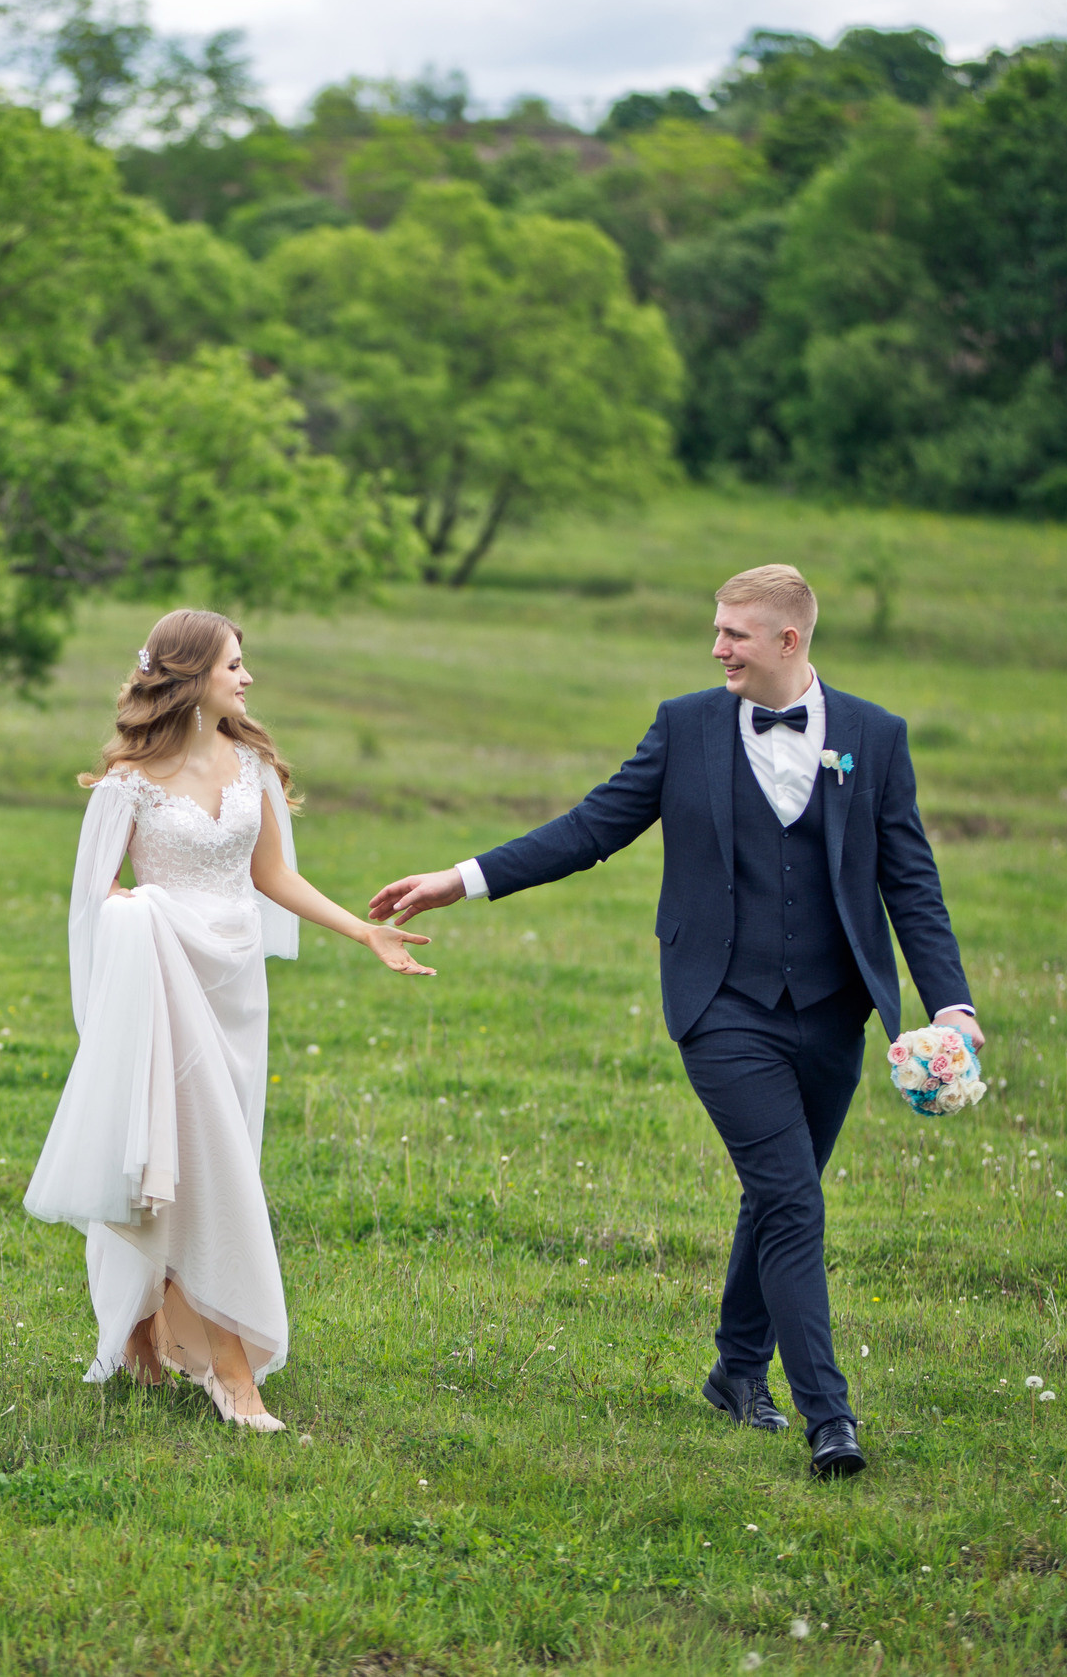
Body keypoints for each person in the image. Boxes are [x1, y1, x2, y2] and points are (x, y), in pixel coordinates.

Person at [368, 565, 983, 1478]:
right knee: (794, 1200)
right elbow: (589, 829)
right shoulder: (684, 726)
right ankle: (830, 1416)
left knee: (779, 1194)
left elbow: (911, 882)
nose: (717, 645)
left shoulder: (875, 738)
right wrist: (462, 879)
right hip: (721, 1005)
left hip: (835, 1009)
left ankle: (735, 1374)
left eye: (736, 632)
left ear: (789, 640)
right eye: (716, 629)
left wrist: (953, 1004)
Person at [24, 608, 435, 1432]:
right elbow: (94, 899)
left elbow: (273, 874)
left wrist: (361, 931)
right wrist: (142, 919)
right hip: (164, 980)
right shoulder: (126, 785)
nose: (247, 679)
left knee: (216, 1158)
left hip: (235, 986)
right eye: (234, 666)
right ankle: (232, 1369)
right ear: (190, 676)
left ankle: (148, 1335)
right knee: (193, 1163)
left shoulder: (250, 764)